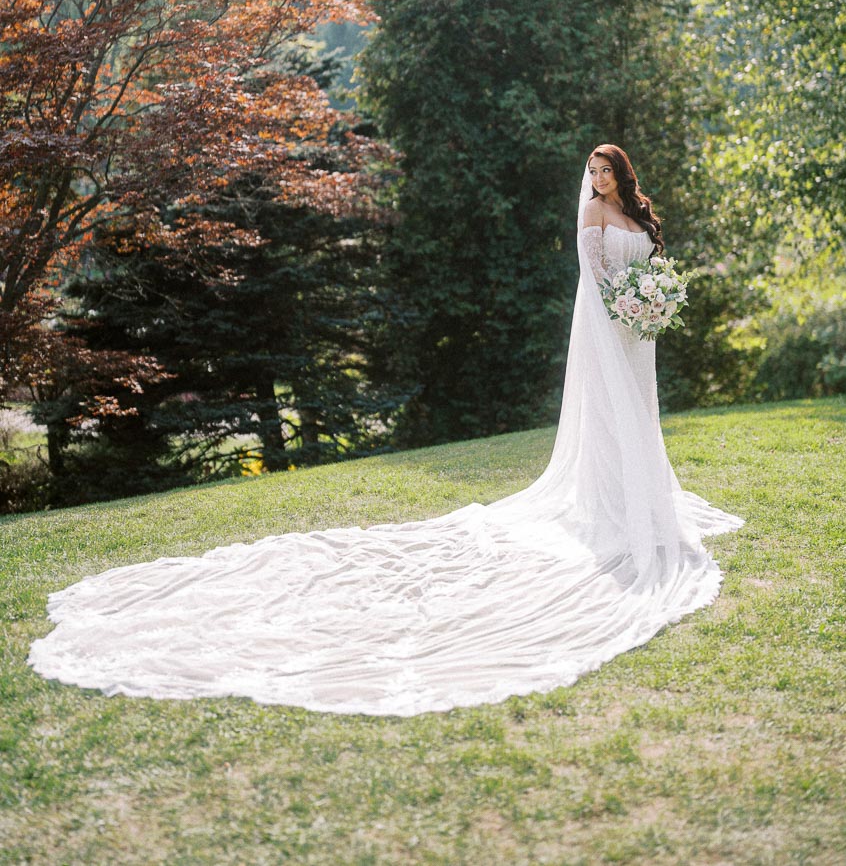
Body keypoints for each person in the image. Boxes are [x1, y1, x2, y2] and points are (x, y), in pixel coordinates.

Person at [28, 146, 744, 717]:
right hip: (605, 327)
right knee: (609, 422)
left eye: (605, 170)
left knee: (638, 419)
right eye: (591, 171)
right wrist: (627, 304)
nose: (596, 179)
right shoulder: (591, 219)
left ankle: (643, 495)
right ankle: (614, 506)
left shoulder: (639, 218)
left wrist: (652, 303)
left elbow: (649, 269)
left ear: (623, 173)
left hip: (636, 335)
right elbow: (593, 281)